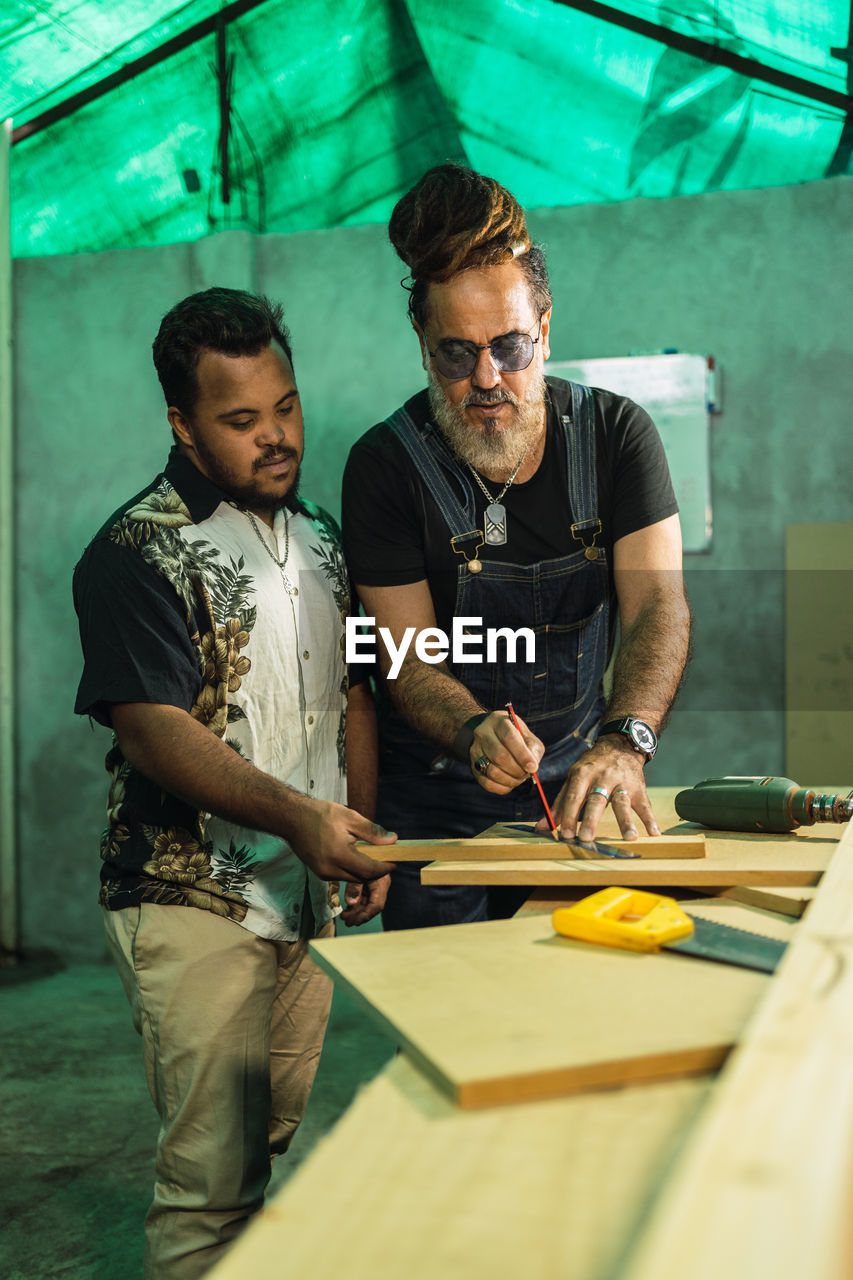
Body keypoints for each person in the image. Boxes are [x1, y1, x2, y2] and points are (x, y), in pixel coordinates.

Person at [72, 287, 396, 1279]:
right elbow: (155, 730)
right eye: (241, 420)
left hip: (301, 892)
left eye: (286, 407)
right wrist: (306, 817)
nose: (276, 438)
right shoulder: (135, 552)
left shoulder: (326, 540)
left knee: (264, 1142)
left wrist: (360, 829)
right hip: (187, 897)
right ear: (182, 423)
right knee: (207, 1186)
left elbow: (352, 694)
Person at [342, 164, 691, 930]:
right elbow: (407, 660)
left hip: (575, 790)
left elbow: (656, 606)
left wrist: (625, 740)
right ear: (421, 341)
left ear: (545, 327)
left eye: (510, 346)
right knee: (451, 1015)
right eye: (455, 355)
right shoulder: (384, 468)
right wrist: (471, 729)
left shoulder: (616, 437)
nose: (486, 380)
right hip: (431, 804)